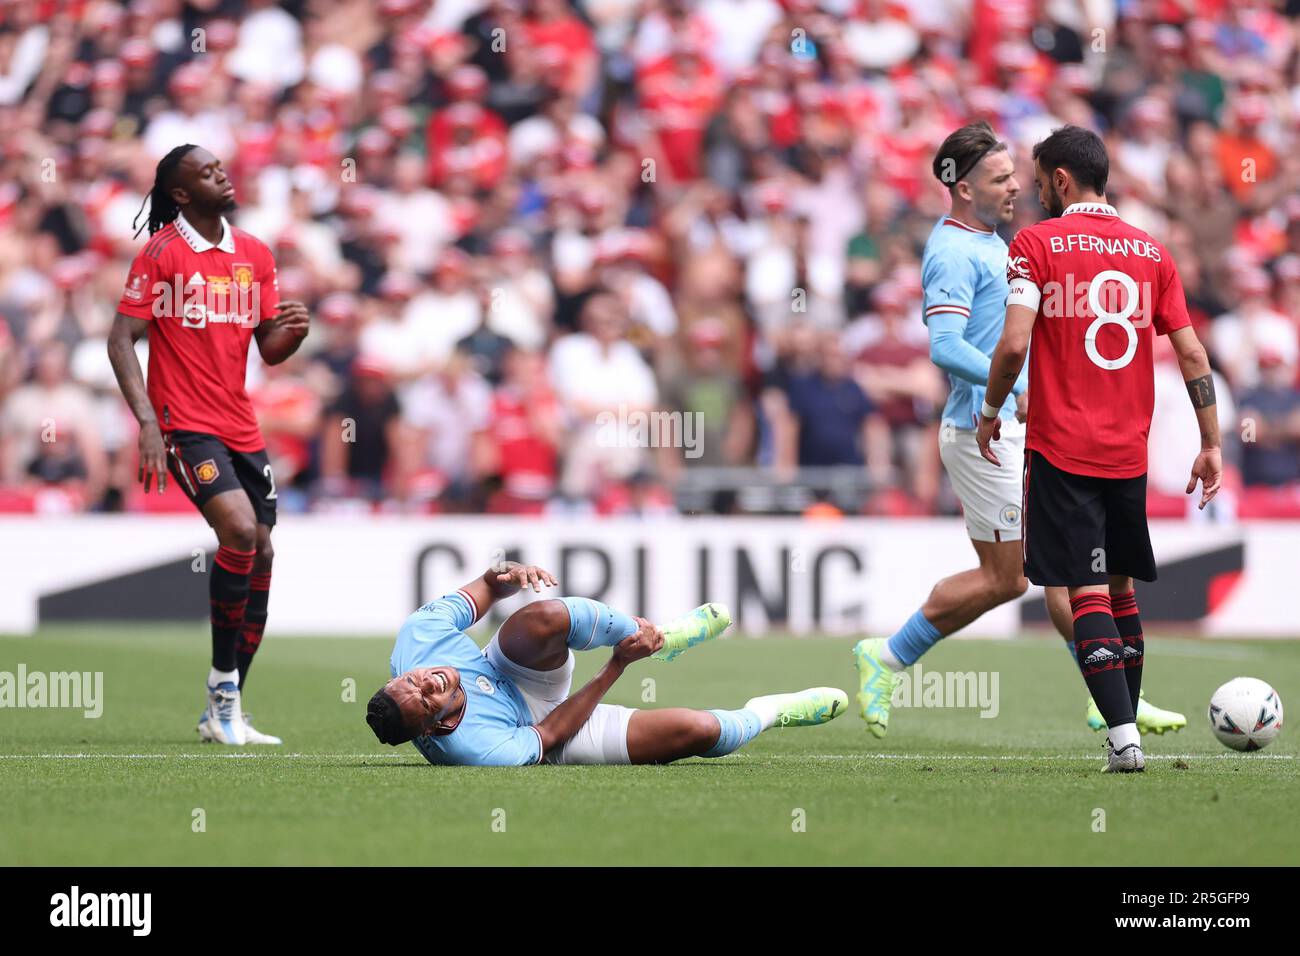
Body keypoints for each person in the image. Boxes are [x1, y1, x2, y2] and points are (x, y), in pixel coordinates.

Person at [853, 122, 1185, 740]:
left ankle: (1110, 701)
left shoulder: (999, 243)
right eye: (1000, 179)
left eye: (1014, 175)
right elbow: (946, 345)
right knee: (1034, 575)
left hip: (1016, 428)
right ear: (960, 188)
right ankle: (1115, 706)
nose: (1015, 189)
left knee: (1030, 574)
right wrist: (1020, 389)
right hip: (985, 430)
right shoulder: (952, 251)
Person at [977, 125, 1222, 772]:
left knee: (1082, 589)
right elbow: (1192, 352)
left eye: (1038, 184)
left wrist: (991, 409)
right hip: (1128, 451)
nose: (1034, 196)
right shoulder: (1152, 251)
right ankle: (1126, 730)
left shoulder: (1034, 245)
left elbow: (1012, 345)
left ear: (1061, 180)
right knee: (1120, 592)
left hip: (1062, 447)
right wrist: (1212, 442)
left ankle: (1123, 739)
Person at [106, 144, 310, 745]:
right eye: (207, 172)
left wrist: (292, 334)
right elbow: (122, 340)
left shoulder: (254, 253)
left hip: (240, 426)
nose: (223, 174)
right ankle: (222, 691)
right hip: (183, 423)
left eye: (222, 166)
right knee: (241, 534)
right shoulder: (162, 255)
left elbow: (268, 349)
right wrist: (146, 422)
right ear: (181, 194)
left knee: (264, 554)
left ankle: (227, 708)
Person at [366, 561, 847, 765]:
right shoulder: (476, 751)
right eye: (428, 696)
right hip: (547, 726)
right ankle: (772, 710)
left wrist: (505, 576)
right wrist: (615, 667)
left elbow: (488, 588)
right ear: (430, 730)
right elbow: (551, 734)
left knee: (544, 618)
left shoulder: (419, 641)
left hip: (508, 669)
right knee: (699, 732)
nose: (429, 680)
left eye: (413, 679)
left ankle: (658, 635)